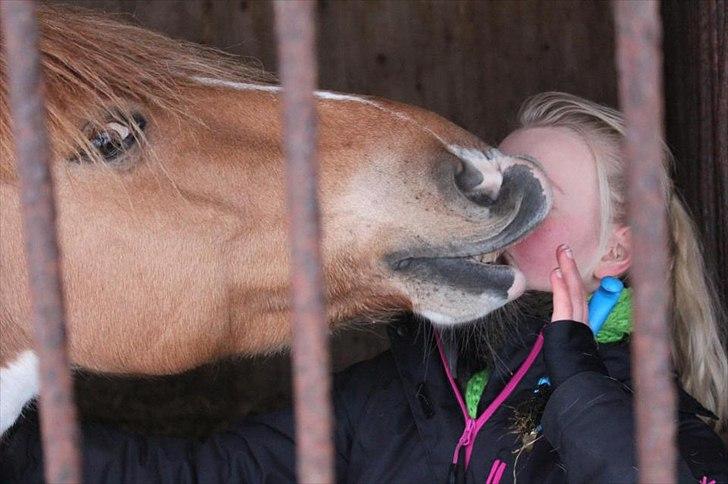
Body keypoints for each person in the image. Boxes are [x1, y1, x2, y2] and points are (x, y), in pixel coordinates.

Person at [2, 93, 726, 483]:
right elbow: (212, 471)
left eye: (540, 195)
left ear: (619, 248)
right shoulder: (397, 390)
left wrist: (572, 371)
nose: (497, 210)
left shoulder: (648, 404)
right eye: (497, 176)